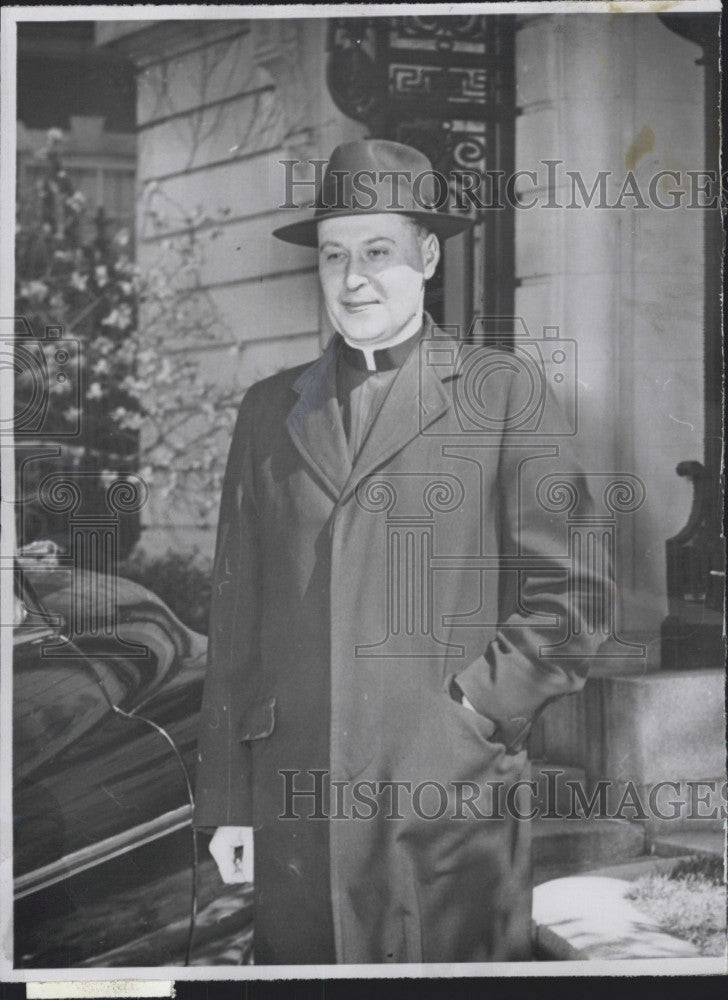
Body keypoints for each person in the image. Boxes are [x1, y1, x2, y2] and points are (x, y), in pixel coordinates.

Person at [194, 139, 610, 965]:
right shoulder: (268, 411)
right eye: (335, 256)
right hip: (296, 804)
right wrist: (230, 801)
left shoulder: (503, 394)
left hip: (449, 802)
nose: (353, 280)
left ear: (426, 256)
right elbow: (235, 619)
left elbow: (575, 601)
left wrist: (470, 714)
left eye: (377, 252)